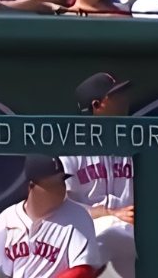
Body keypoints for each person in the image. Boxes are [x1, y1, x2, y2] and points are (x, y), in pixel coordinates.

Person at [60, 73, 136, 277]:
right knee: (108, 229)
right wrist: (108, 213)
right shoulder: (70, 150)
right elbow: (59, 205)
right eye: (116, 95)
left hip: (133, 231)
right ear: (97, 104)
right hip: (86, 231)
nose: (125, 99)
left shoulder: (133, 144)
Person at [0, 155, 102, 278]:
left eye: (62, 181)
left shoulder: (78, 216)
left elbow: (83, 271)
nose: (61, 188)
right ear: (31, 186)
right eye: (53, 184)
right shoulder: (5, 221)